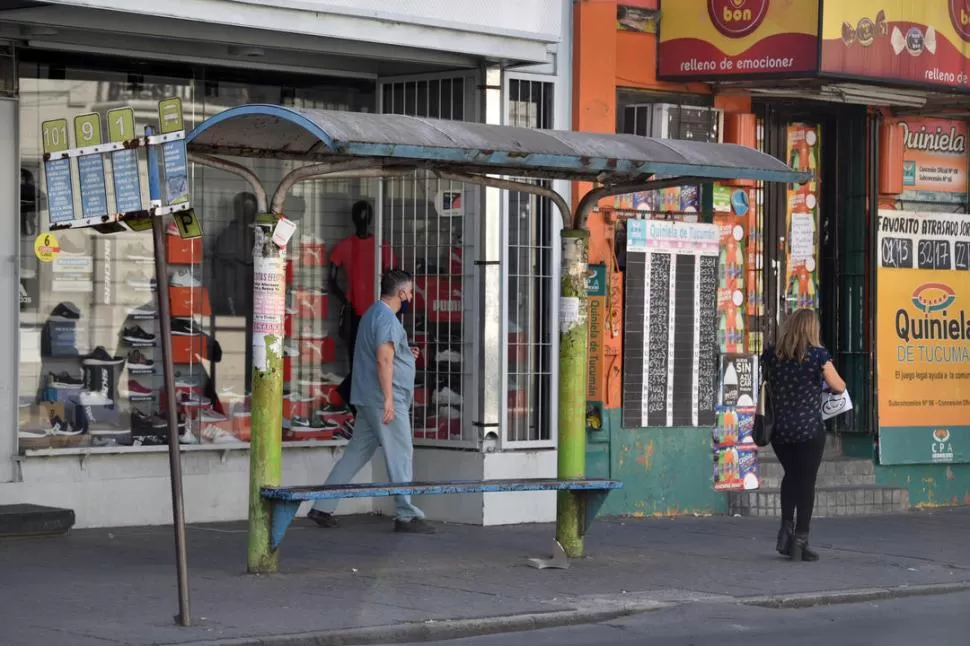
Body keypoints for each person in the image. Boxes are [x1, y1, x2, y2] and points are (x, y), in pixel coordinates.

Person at [307, 269, 434, 534]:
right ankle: (405, 515)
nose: (411, 296)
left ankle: (322, 506)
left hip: (366, 397)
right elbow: (383, 359)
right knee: (400, 454)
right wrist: (389, 399)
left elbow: (386, 353)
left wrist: (405, 353)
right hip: (384, 400)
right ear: (400, 293)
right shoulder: (387, 320)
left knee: (355, 454)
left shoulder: (373, 314)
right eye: (409, 292)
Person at [762, 308, 845, 562]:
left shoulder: (772, 356)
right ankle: (800, 540)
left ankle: (785, 534)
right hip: (809, 430)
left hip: (780, 433)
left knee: (791, 477)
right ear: (812, 329)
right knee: (806, 482)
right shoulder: (818, 356)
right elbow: (839, 385)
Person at [328, 200, 397, 412]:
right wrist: (345, 299)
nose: (363, 219)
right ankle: (353, 402)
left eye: (366, 215)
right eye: (359, 215)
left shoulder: (382, 247)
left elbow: (392, 277)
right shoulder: (345, 246)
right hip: (355, 312)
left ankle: (345, 394)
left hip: (377, 312)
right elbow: (331, 279)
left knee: (375, 360)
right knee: (358, 360)